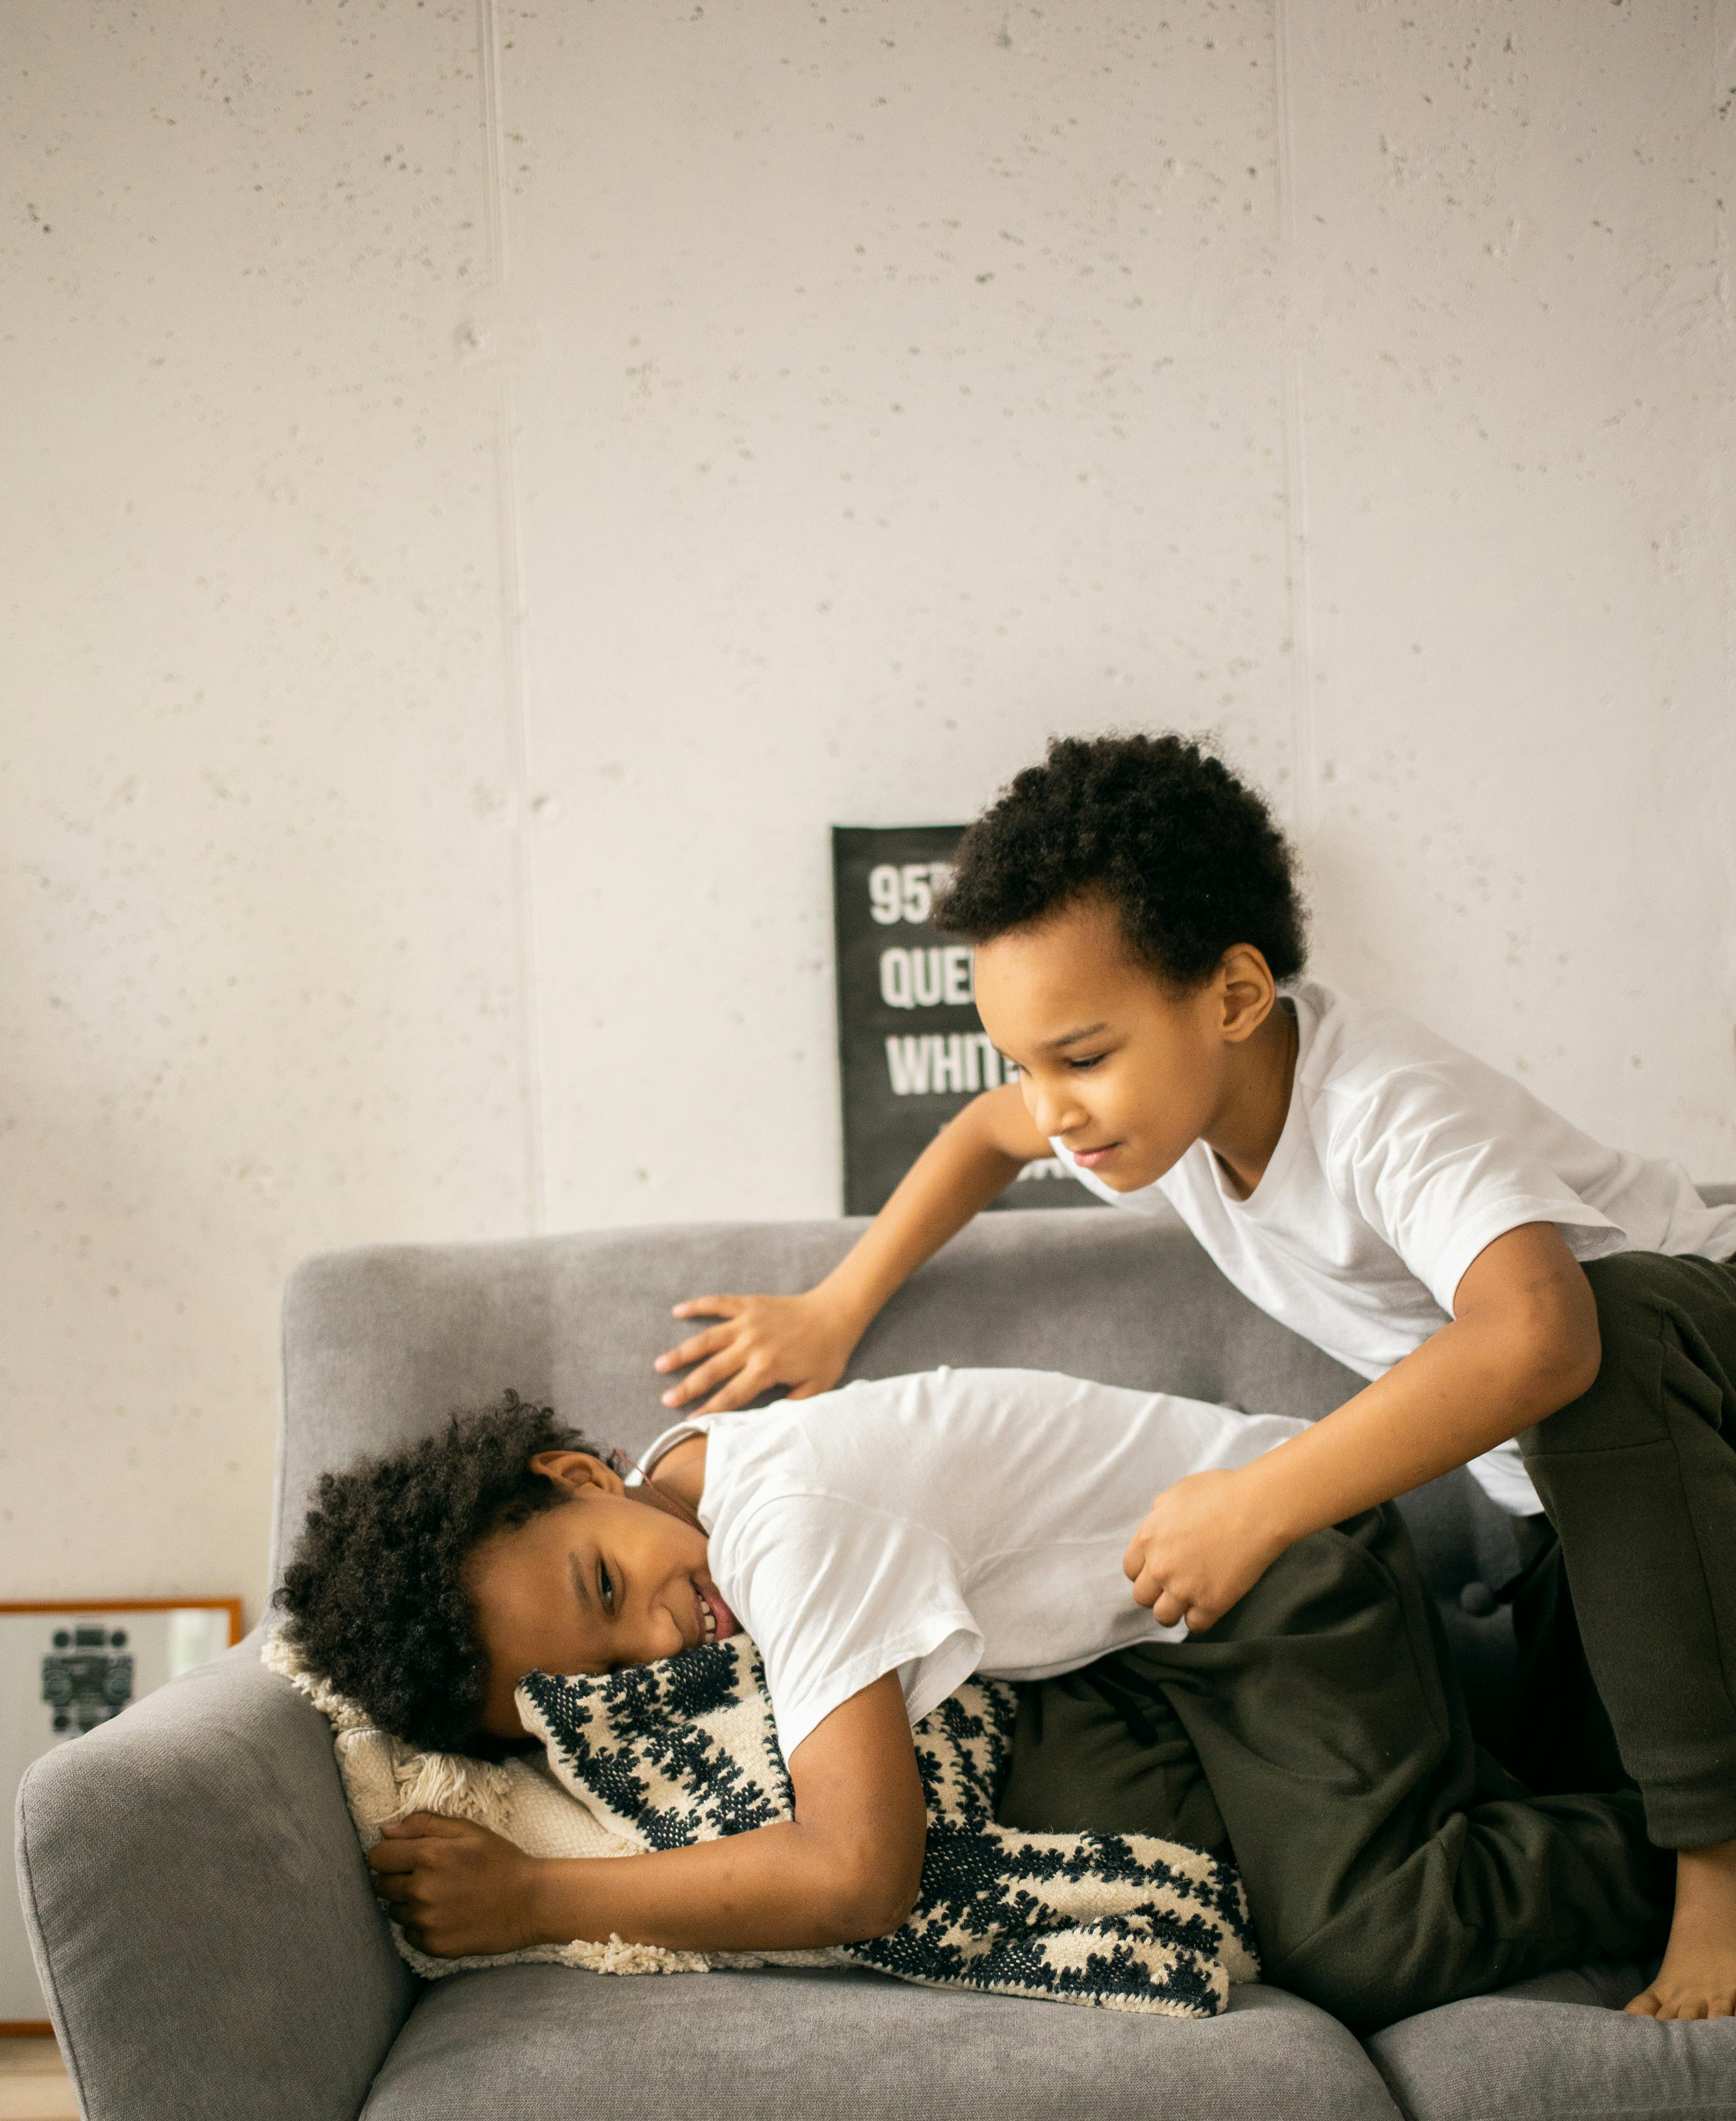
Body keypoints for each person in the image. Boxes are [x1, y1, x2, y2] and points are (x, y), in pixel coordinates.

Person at [649, 735, 1736, 2024]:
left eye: (1083, 1055)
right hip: (1590, 1518)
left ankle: (1721, 1879)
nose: (1052, 1109)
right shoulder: (1154, 1118)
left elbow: (1544, 1337)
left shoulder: (1384, 1108)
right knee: (1555, 1781)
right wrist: (837, 1308)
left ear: (1231, 996)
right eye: (1024, 1060)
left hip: (1689, 1373)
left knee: (1597, 1328)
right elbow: (991, 1137)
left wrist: (1260, 1501)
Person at [278, 1375, 1671, 2038]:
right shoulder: (685, 1506)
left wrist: (539, 1903)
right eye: (602, 1682)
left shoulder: (786, 1523)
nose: (660, 1640)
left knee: (1370, 1940)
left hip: (1275, 1569)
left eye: (605, 1585)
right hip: (1157, 1642)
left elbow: (859, 1873)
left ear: (583, 1474)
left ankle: (1676, 1851)